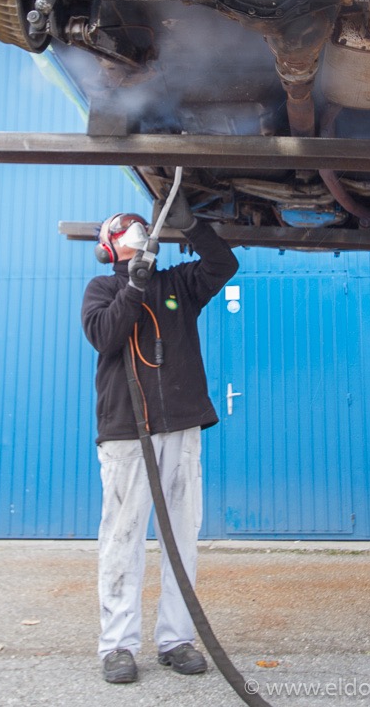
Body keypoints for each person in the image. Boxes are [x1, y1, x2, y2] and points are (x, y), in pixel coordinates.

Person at [81, 190, 239, 684]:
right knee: (123, 537)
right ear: (110, 247)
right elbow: (106, 335)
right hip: (128, 435)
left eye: (141, 229)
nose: (137, 234)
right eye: (127, 231)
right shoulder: (100, 290)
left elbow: (223, 264)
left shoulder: (180, 285)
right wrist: (133, 286)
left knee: (181, 537)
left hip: (181, 428)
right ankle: (118, 646)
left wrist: (193, 227)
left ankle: (175, 639)